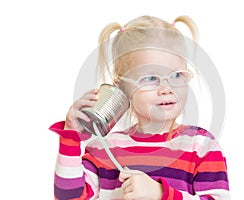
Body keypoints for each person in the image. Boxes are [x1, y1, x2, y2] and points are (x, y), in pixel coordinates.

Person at [49, 15, 230, 200]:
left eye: (177, 75)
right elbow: (68, 197)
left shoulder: (202, 147)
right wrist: (70, 138)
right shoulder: (104, 150)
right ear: (122, 88)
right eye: (150, 78)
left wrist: (161, 194)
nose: (166, 89)